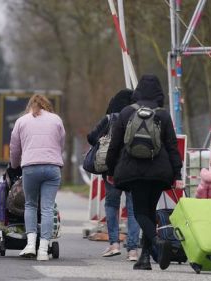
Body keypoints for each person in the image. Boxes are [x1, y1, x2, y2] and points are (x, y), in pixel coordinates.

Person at [106, 74, 183, 271]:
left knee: (140, 212)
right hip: (159, 172)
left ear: (138, 89)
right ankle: (145, 259)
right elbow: (172, 146)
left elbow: (114, 145)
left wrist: (111, 168)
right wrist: (177, 174)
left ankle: (157, 242)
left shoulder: (126, 113)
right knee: (149, 211)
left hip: (134, 171)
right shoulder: (163, 115)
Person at [10, 94, 65, 261]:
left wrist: (14, 165)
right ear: (47, 105)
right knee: (47, 208)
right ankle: (43, 250)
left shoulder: (22, 121)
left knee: (31, 205)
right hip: (52, 168)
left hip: (30, 168)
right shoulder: (56, 120)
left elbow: (15, 147)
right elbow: (60, 144)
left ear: (30, 106)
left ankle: (30, 245)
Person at [87, 89, 140, 261]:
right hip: (133, 169)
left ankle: (114, 244)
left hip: (112, 170)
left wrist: (102, 141)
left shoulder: (110, 119)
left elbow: (91, 137)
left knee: (112, 204)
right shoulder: (139, 117)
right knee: (133, 209)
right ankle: (133, 250)